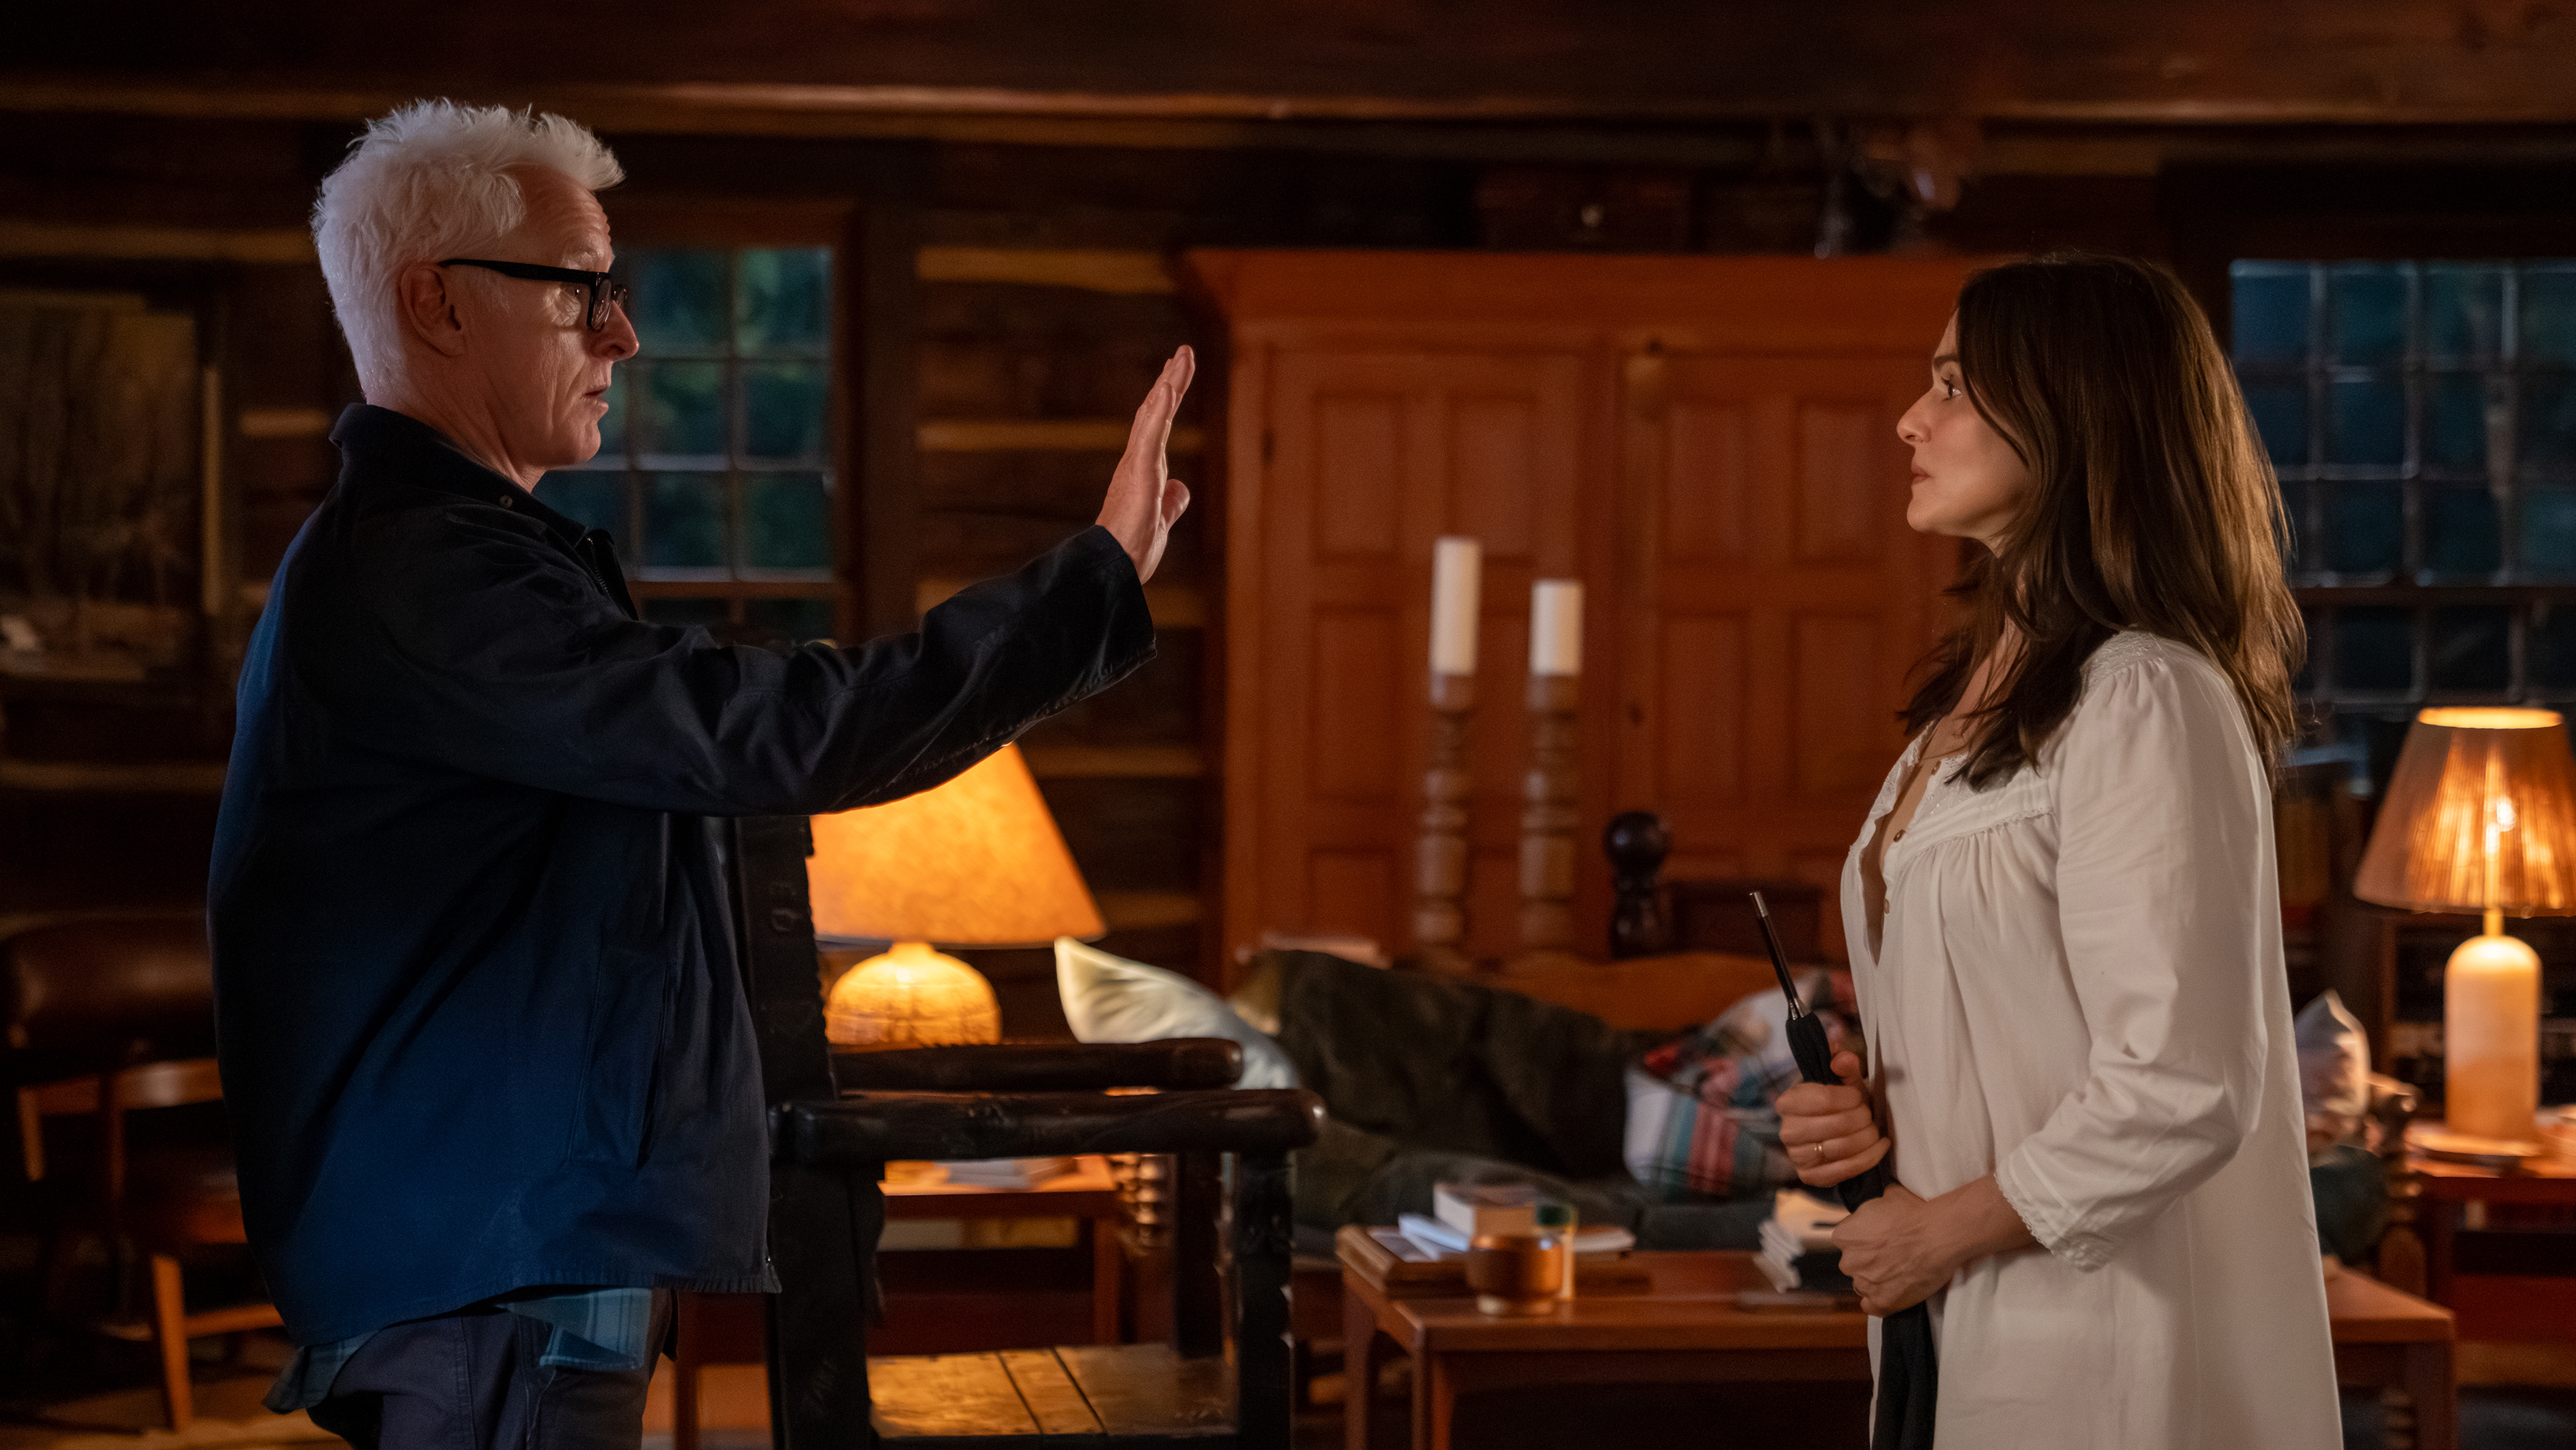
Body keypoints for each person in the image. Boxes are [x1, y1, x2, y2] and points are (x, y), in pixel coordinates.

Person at [208, 101, 1192, 1450]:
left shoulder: (458, 556)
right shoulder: (418, 573)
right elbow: (761, 729)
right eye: (582, 294)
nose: (621, 335)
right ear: (434, 301)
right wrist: (1089, 588)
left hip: (514, 1254)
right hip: (493, 1266)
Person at [1774, 253, 2339, 1446]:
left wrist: (1940, 1229)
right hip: (1955, 1319)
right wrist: (1868, 1111)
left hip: (2099, 1335)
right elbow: (2004, 1025)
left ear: (2075, 417)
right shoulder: (1966, 700)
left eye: (1954, 388)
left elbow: (2184, 1082)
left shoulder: (2143, 694)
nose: (1910, 419)